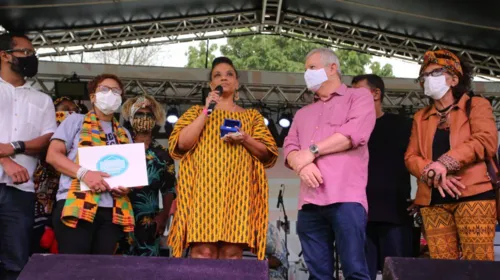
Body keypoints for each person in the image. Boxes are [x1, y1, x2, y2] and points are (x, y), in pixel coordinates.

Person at [167, 57, 278, 260]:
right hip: (203, 192)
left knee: (231, 253)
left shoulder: (251, 117)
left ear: (237, 84)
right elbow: (181, 144)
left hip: (238, 192)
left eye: (229, 74)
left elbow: (267, 153)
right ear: (211, 85)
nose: (223, 78)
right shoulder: (195, 112)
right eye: (217, 75)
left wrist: (245, 138)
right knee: (203, 251)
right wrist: (206, 111)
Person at [284, 48, 374, 280]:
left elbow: (355, 133)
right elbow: (290, 148)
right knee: (318, 275)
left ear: (332, 68)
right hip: (310, 203)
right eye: (306, 70)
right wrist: (302, 165)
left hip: (346, 198)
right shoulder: (303, 113)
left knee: (354, 271)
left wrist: (311, 152)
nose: (307, 74)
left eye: (311, 68)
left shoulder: (359, 97)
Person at [405, 49, 498, 260]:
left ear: (454, 79)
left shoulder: (476, 105)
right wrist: (432, 173)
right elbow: (411, 157)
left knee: (479, 265)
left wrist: (445, 163)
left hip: (475, 196)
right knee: (441, 267)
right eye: (424, 76)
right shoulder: (421, 117)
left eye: (436, 73)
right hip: (433, 200)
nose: (428, 79)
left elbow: (486, 141)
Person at [46, 74, 135, 255]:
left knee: (101, 270)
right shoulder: (75, 121)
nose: (110, 94)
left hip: (112, 211)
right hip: (75, 204)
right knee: (74, 268)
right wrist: (84, 173)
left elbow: (130, 172)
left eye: (116, 91)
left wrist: (126, 187)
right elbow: (53, 155)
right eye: (104, 89)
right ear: (93, 96)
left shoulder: (124, 133)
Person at [0, 33, 57, 280]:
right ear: (4, 55)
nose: (31, 58)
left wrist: (15, 147)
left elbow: (48, 140)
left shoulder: (42, 99)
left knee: (16, 261)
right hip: (13, 178)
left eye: (33, 53)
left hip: (20, 191)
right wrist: (3, 160)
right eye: (25, 52)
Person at [352, 74, 413, 280]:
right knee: (360, 273)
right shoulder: (351, 130)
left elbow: (421, 160)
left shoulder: (403, 125)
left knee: (397, 273)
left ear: (376, 93)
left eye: (358, 91)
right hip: (359, 213)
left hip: (394, 213)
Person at [117, 95, 177, 256]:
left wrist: (163, 216)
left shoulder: (163, 154)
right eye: (139, 114)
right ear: (130, 118)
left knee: (147, 267)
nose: (144, 118)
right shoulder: (119, 147)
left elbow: (169, 189)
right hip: (118, 216)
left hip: (149, 221)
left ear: (155, 119)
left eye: (148, 115)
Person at [31, 97, 80, 254]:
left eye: (74, 110)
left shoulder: (80, 131)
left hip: (69, 196)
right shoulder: (46, 134)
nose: (69, 113)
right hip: (44, 196)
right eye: (65, 109)